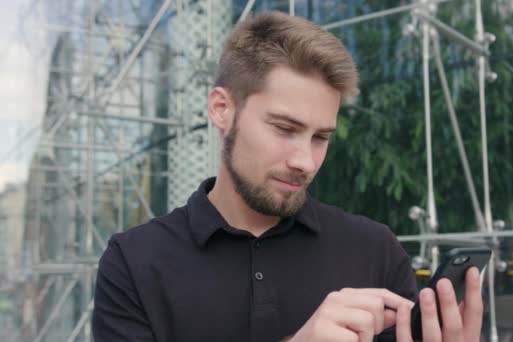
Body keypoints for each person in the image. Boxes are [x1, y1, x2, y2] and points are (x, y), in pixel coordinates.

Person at [92, 11, 483, 342]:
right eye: (284, 128)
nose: (305, 161)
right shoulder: (134, 263)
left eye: (320, 137)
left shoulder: (375, 251)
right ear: (221, 109)